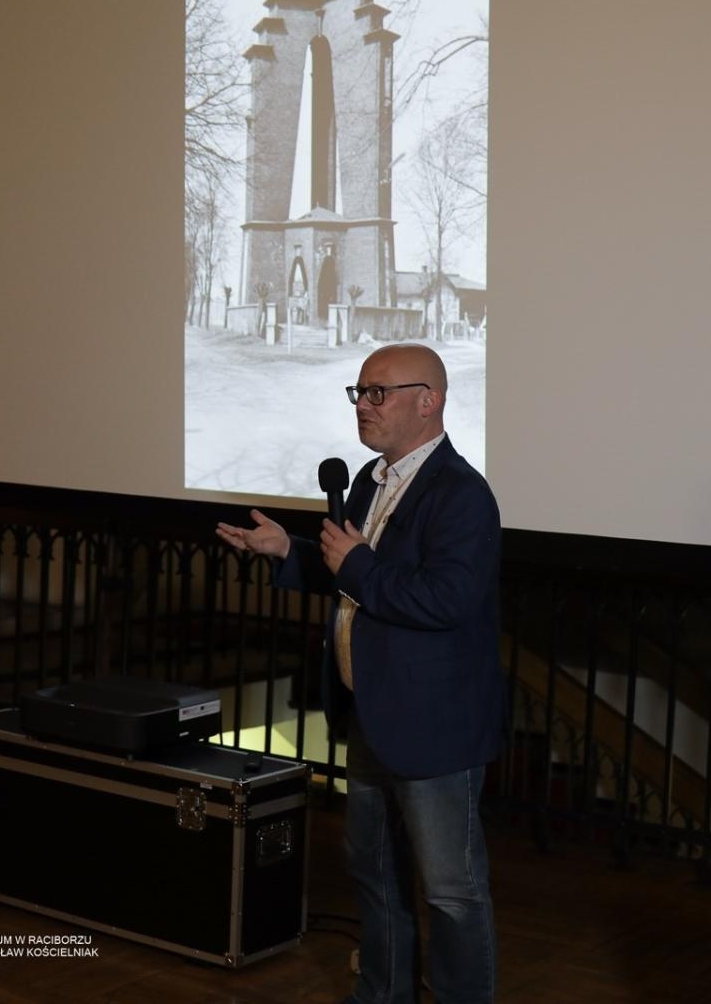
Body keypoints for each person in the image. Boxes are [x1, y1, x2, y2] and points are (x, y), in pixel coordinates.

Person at [216, 342, 506, 1004]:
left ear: (428, 401)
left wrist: (356, 565)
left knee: (452, 892)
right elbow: (353, 577)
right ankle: (381, 995)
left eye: (379, 392)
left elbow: (444, 599)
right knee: (375, 874)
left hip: (434, 726)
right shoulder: (373, 482)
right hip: (371, 712)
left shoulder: (461, 494)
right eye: (359, 392)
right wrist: (287, 551)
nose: (363, 406)